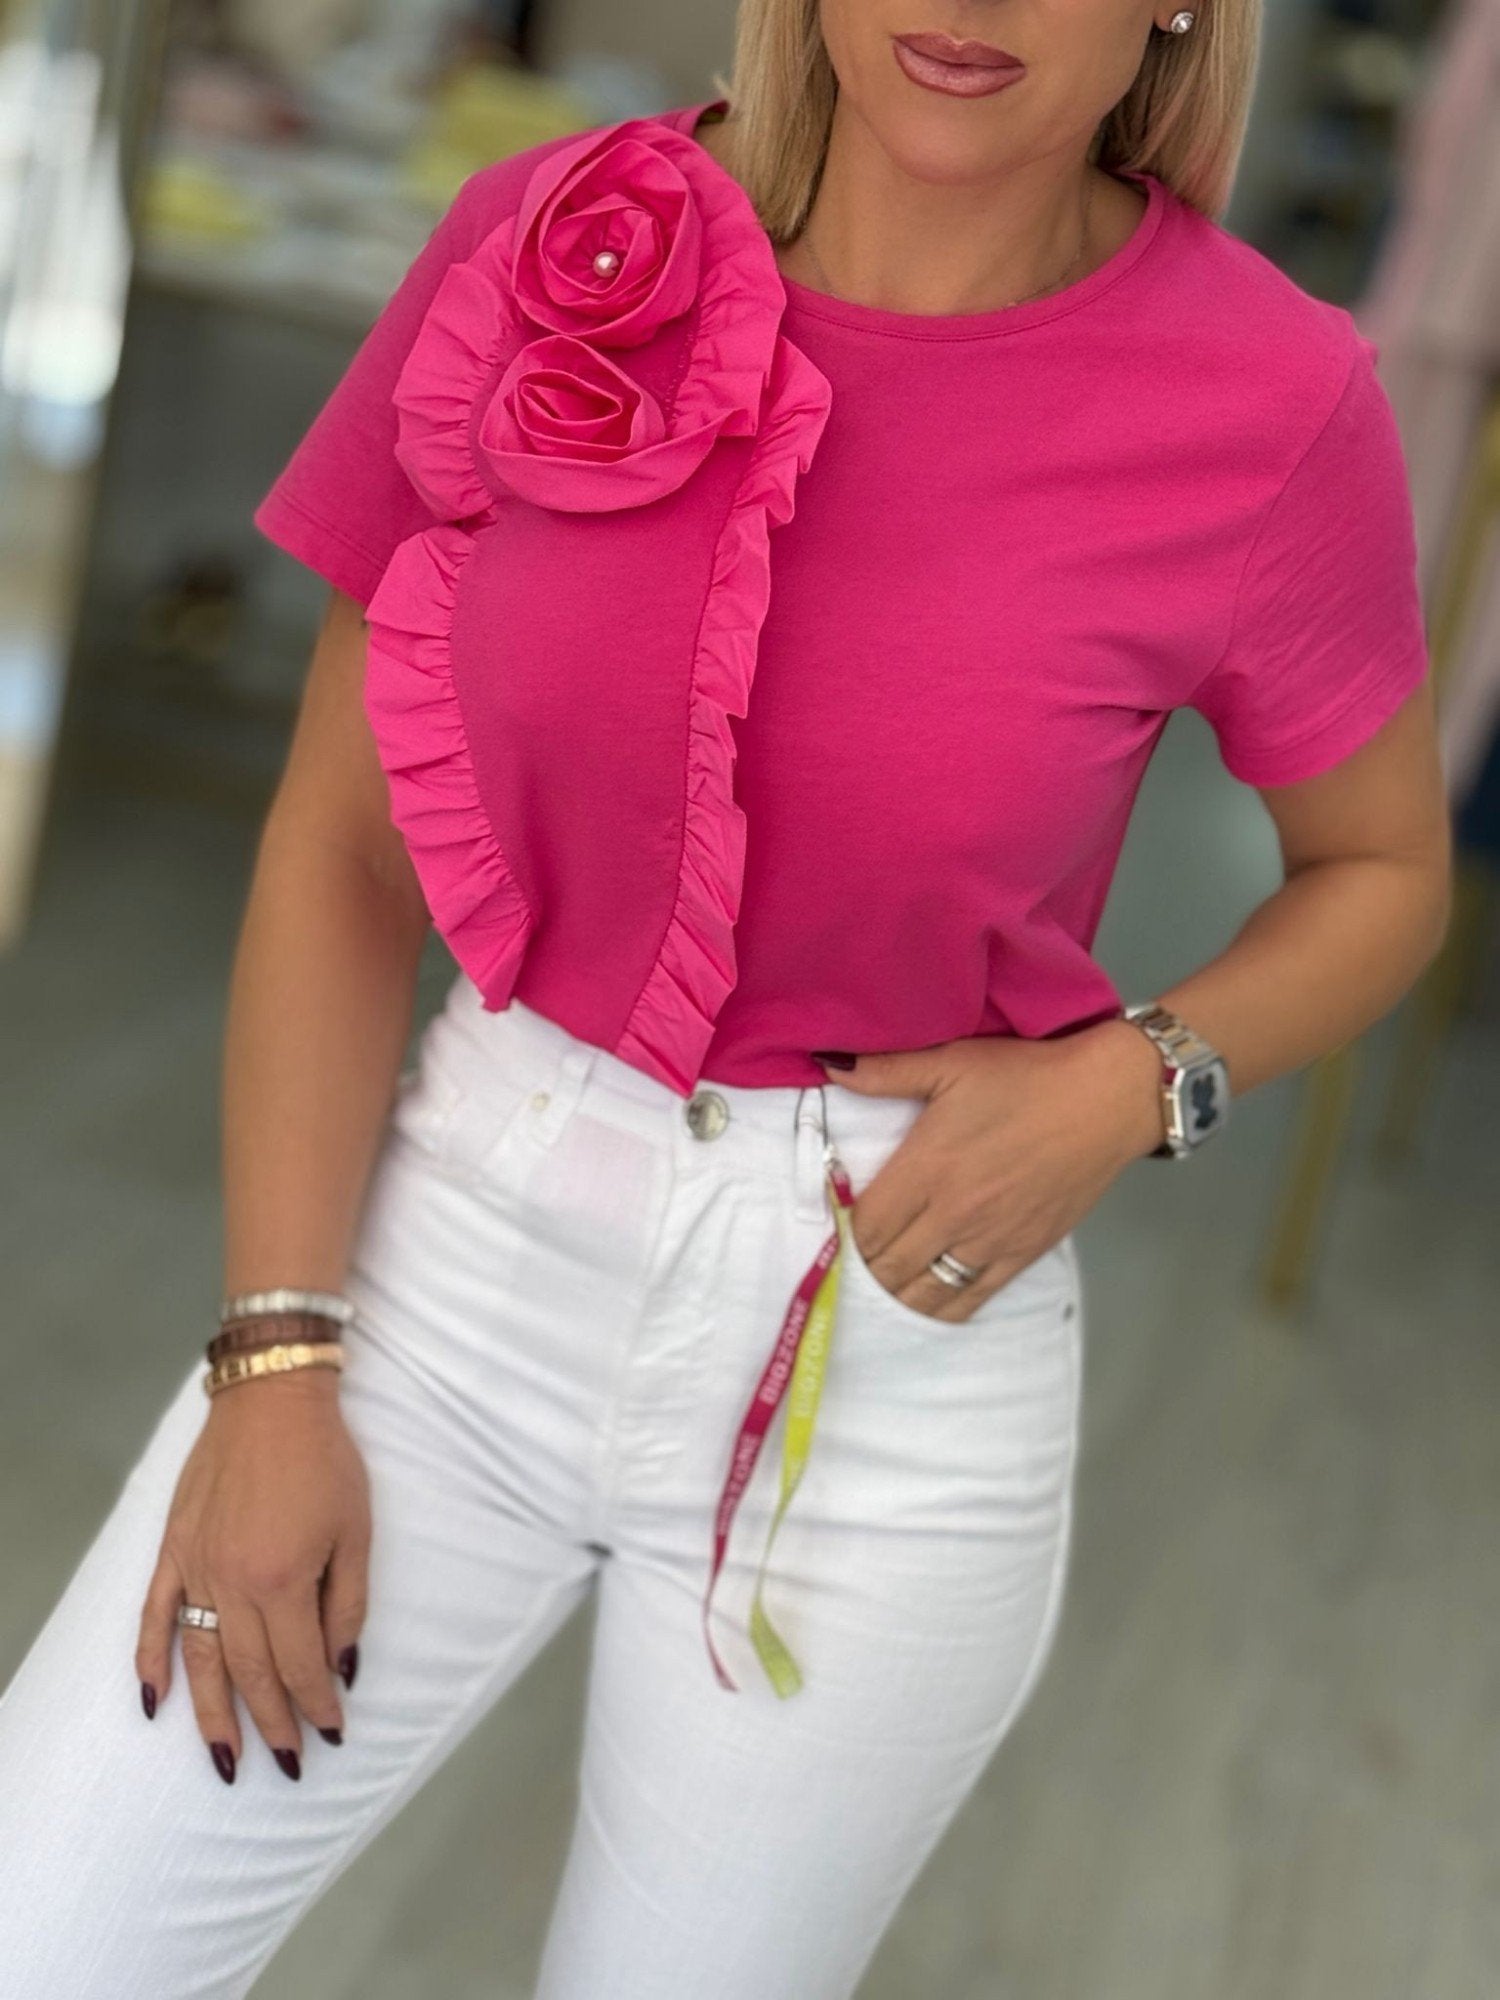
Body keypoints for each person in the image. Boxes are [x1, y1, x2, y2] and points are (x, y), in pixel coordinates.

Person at [0, 0, 1451, 1993]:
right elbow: (343, 850)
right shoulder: (546, 243)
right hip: (450, 1260)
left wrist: (1138, 1080)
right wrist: (274, 1360)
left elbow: (1383, 873)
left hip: (895, 1325)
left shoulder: (1274, 397)